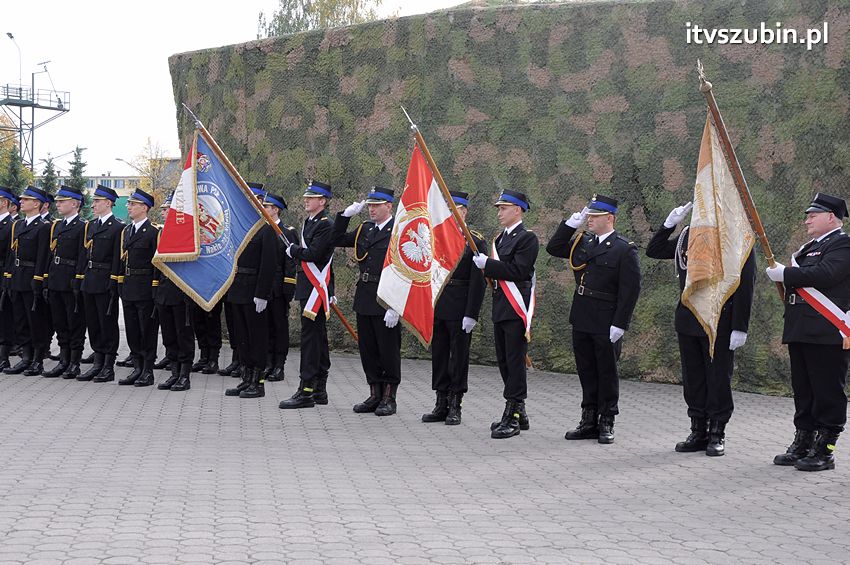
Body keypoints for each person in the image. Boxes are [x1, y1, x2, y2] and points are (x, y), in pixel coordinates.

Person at [646, 201, 756, 456]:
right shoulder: (687, 238)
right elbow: (655, 250)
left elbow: (746, 282)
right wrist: (669, 224)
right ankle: (698, 430)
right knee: (693, 379)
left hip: (721, 322)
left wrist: (740, 326)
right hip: (688, 318)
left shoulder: (736, 240)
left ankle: (717, 432)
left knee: (718, 379)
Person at [546, 194, 641, 444]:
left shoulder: (624, 249)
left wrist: (620, 323)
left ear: (609, 218)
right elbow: (553, 248)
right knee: (586, 369)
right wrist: (569, 225)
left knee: (606, 371)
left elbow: (630, 291)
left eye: (594, 216)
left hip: (606, 319)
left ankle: (607, 419)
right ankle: (588, 419)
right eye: (589, 215)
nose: (589, 219)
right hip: (582, 314)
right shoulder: (583, 242)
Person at [766, 193, 850, 472]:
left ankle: (825, 449)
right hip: (801, 328)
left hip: (826, 330)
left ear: (831, 217)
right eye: (807, 215)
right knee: (804, 391)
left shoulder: (843, 245)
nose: (807, 220)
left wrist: (785, 275)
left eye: (813, 215)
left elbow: (826, 274)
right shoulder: (806, 249)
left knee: (827, 391)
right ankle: (803, 440)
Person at [472, 189, 539, 439]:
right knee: (504, 361)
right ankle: (520, 411)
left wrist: (488, 265)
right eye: (499, 208)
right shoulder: (499, 239)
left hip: (515, 307)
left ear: (518, 210)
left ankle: (511, 415)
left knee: (514, 361)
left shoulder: (527, 239)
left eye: (504, 208)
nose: (499, 212)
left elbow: (519, 270)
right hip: (501, 306)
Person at [332, 187, 402, 416]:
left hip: (386, 297)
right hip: (365, 296)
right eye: (370, 205)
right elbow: (336, 239)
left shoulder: (398, 231)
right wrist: (345, 216)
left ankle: (389, 397)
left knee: (388, 349)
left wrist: (396, 305)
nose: (371, 209)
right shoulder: (365, 229)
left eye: (377, 205)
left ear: (389, 206)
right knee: (368, 349)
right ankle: (374, 393)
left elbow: (405, 271)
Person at [423, 191, 486, 425]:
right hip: (439, 302)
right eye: (448, 209)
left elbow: (478, 282)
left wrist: (471, 313)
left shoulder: (474, 241)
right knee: (439, 354)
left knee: (458, 355)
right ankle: (440, 401)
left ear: (464, 211)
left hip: (460, 306)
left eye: (455, 209)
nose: (451, 213)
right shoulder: (436, 237)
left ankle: (455, 403)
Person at [279, 180, 336, 410]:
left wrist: (294, 251)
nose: (306, 200)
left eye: (311, 198)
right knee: (317, 337)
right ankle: (319, 389)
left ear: (322, 201)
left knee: (311, 339)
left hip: (316, 289)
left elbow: (315, 254)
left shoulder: (326, 224)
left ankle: (307, 389)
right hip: (308, 286)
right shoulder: (309, 222)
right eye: (306, 197)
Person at [223, 183, 277, 400]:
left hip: (255, 290)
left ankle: (258, 382)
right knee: (241, 337)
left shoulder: (267, 228)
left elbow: (269, 264)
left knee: (257, 338)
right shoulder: (239, 227)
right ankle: (245, 378)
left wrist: (262, 293)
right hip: (237, 288)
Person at [77, 185, 124, 383]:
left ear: (108, 203)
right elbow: (83, 254)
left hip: (105, 280)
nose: (93, 205)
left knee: (107, 324)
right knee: (93, 323)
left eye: (97, 201)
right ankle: (97, 362)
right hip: (90, 279)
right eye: (94, 201)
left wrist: (114, 282)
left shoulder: (117, 227)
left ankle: (108, 365)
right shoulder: (91, 225)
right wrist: (80, 278)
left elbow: (117, 258)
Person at [42, 186, 88, 379]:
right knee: (59, 322)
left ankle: (74, 363)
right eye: (58, 201)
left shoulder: (83, 226)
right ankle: (63, 360)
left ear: (75, 204)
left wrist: (78, 280)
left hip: (70, 279)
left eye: (63, 201)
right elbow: (50, 255)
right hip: (55, 278)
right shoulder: (56, 226)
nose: (58, 204)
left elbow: (82, 256)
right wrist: (45, 278)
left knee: (74, 322)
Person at [4, 186, 50, 375]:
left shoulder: (44, 227)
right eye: (21, 199)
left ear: (37, 203)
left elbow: (42, 256)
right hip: (17, 276)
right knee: (20, 319)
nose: (21, 202)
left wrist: (38, 279)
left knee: (35, 320)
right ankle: (26, 357)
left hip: (31, 276)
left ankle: (37, 359)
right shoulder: (18, 225)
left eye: (26, 199)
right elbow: (11, 253)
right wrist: (8, 276)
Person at [117, 189, 160, 387]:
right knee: (132, 329)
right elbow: (122, 260)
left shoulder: (153, 232)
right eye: (129, 204)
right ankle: (137, 367)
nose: (129, 207)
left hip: (145, 286)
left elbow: (156, 263)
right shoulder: (127, 231)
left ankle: (148, 370)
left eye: (133, 204)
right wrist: (119, 282)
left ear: (144, 208)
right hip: (129, 285)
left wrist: (154, 286)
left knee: (147, 330)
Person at [154, 192, 194, 392]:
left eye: (168, 209)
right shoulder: (162, 233)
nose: (164, 213)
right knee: (169, 334)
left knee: (183, 334)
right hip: (164, 289)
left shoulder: (187, 232)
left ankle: (184, 375)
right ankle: (174, 372)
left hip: (181, 291)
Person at [260, 192, 297, 383]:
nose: (263, 209)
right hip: (264, 288)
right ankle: (267, 362)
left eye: (266, 207)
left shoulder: (287, 232)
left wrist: (287, 288)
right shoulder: (262, 230)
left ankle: (279, 365)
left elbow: (290, 263)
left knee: (279, 326)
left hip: (279, 288)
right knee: (265, 327)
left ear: (275, 210)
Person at [0, 187, 17, 372]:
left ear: (4, 203)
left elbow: (12, 254)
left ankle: (3, 357)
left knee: (4, 317)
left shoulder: (11, 225)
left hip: (3, 273)